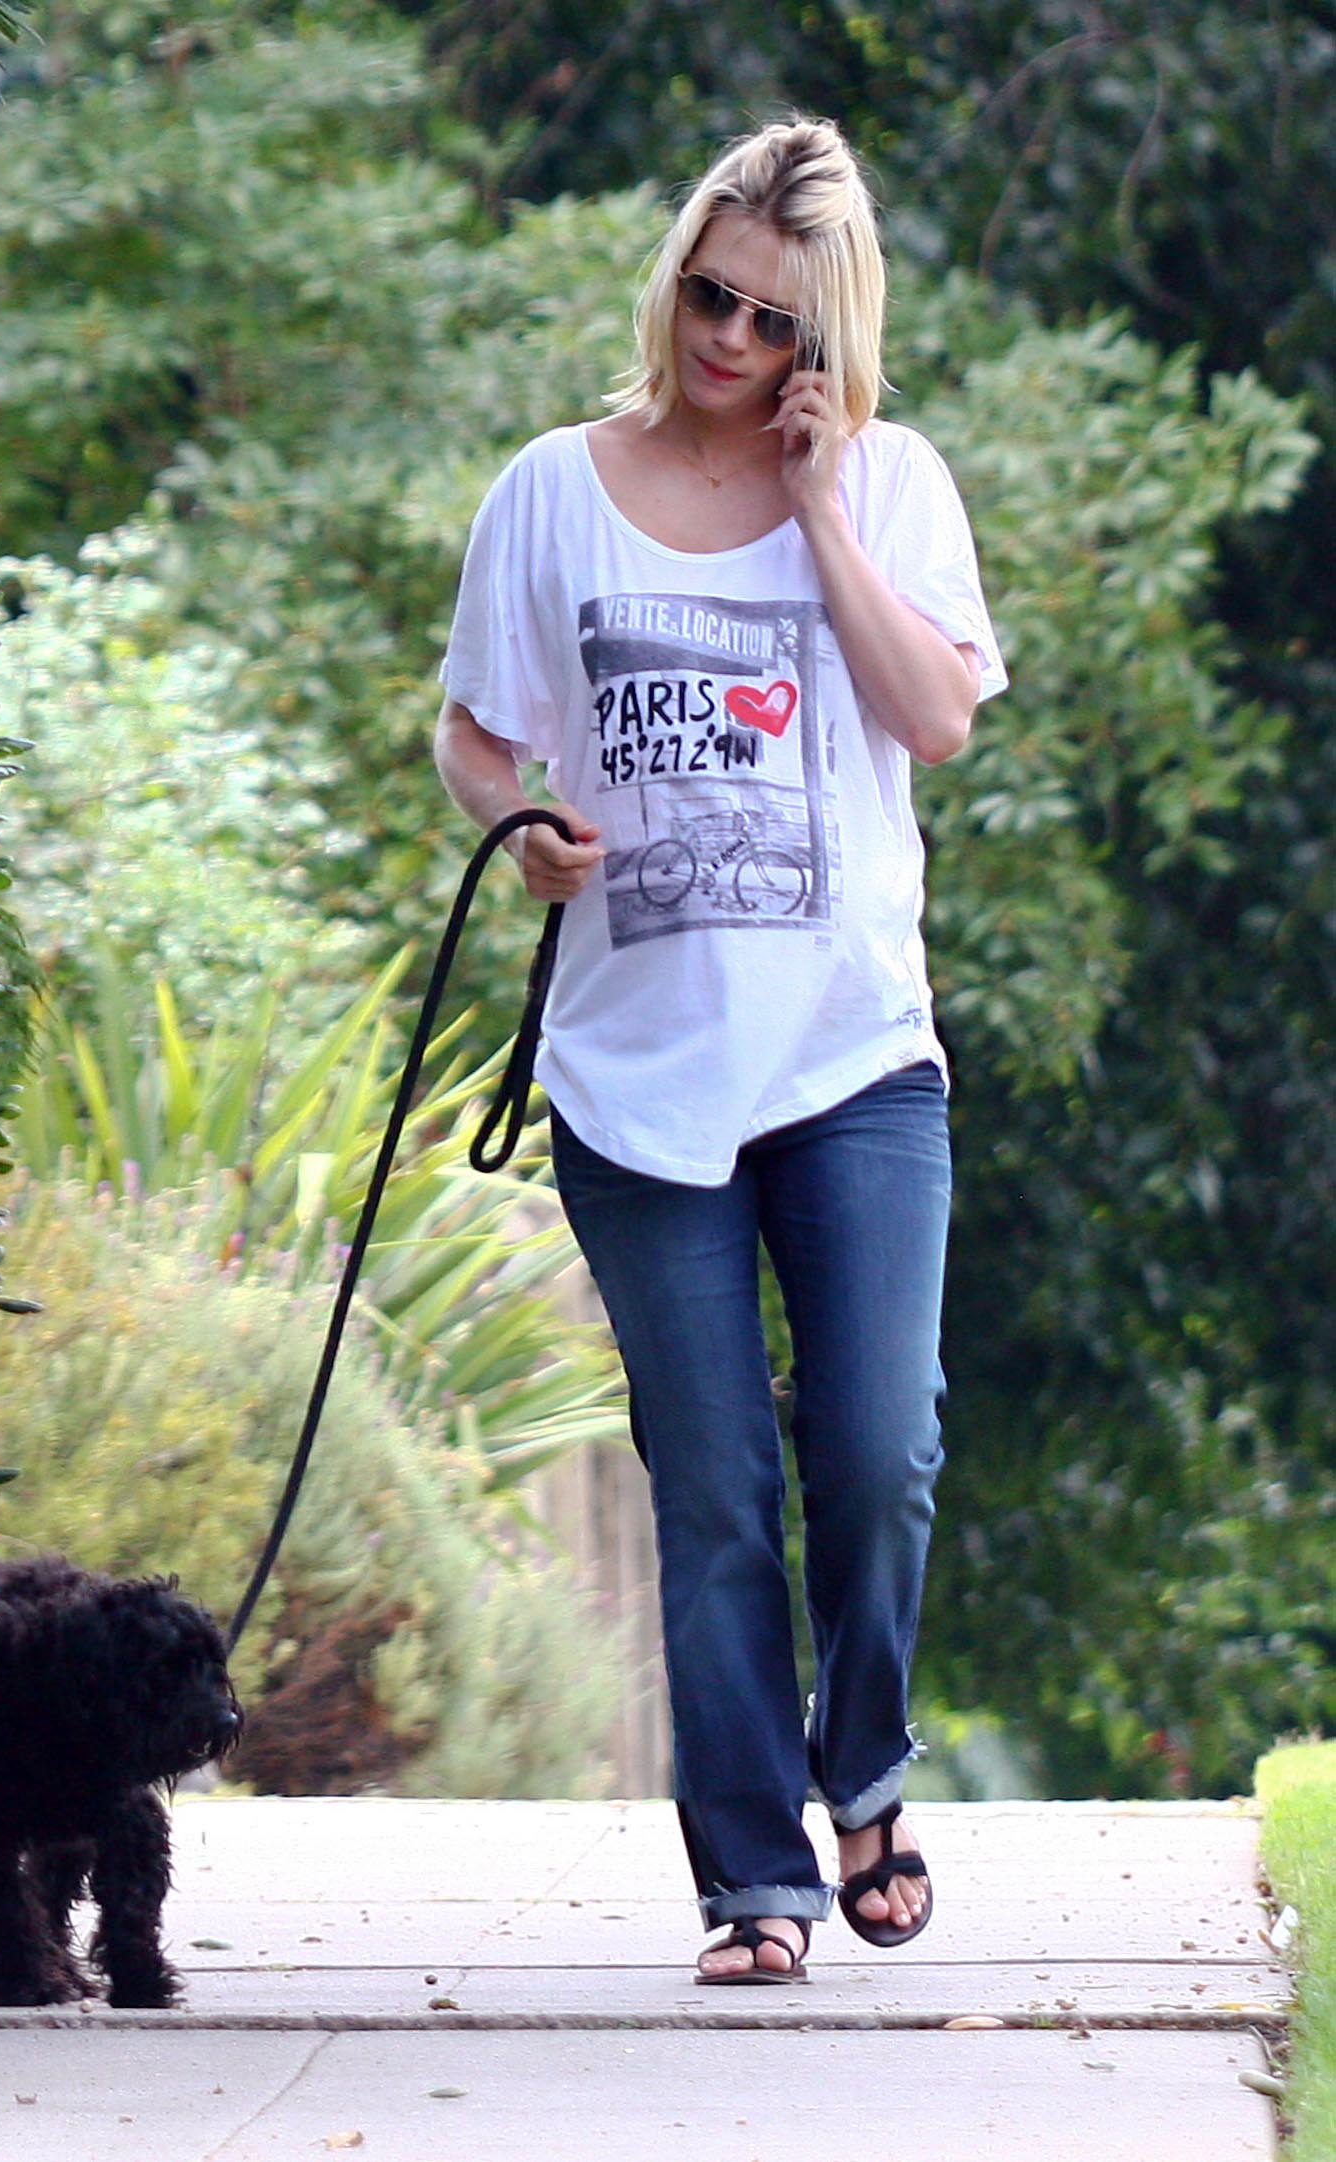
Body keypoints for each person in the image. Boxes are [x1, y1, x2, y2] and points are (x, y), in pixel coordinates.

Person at [434, 114, 1006, 1983]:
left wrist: (820, 508)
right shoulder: (553, 489)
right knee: (712, 1491)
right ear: (672, 277)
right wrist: (521, 823)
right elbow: (475, 733)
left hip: (853, 1061)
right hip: (636, 1079)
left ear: (827, 337)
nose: (728, 341)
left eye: (773, 320)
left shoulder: (895, 483)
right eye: (709, 295)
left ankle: (868, 1775)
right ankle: (755, 1881)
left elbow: (935, 719)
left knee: (880, 1447)